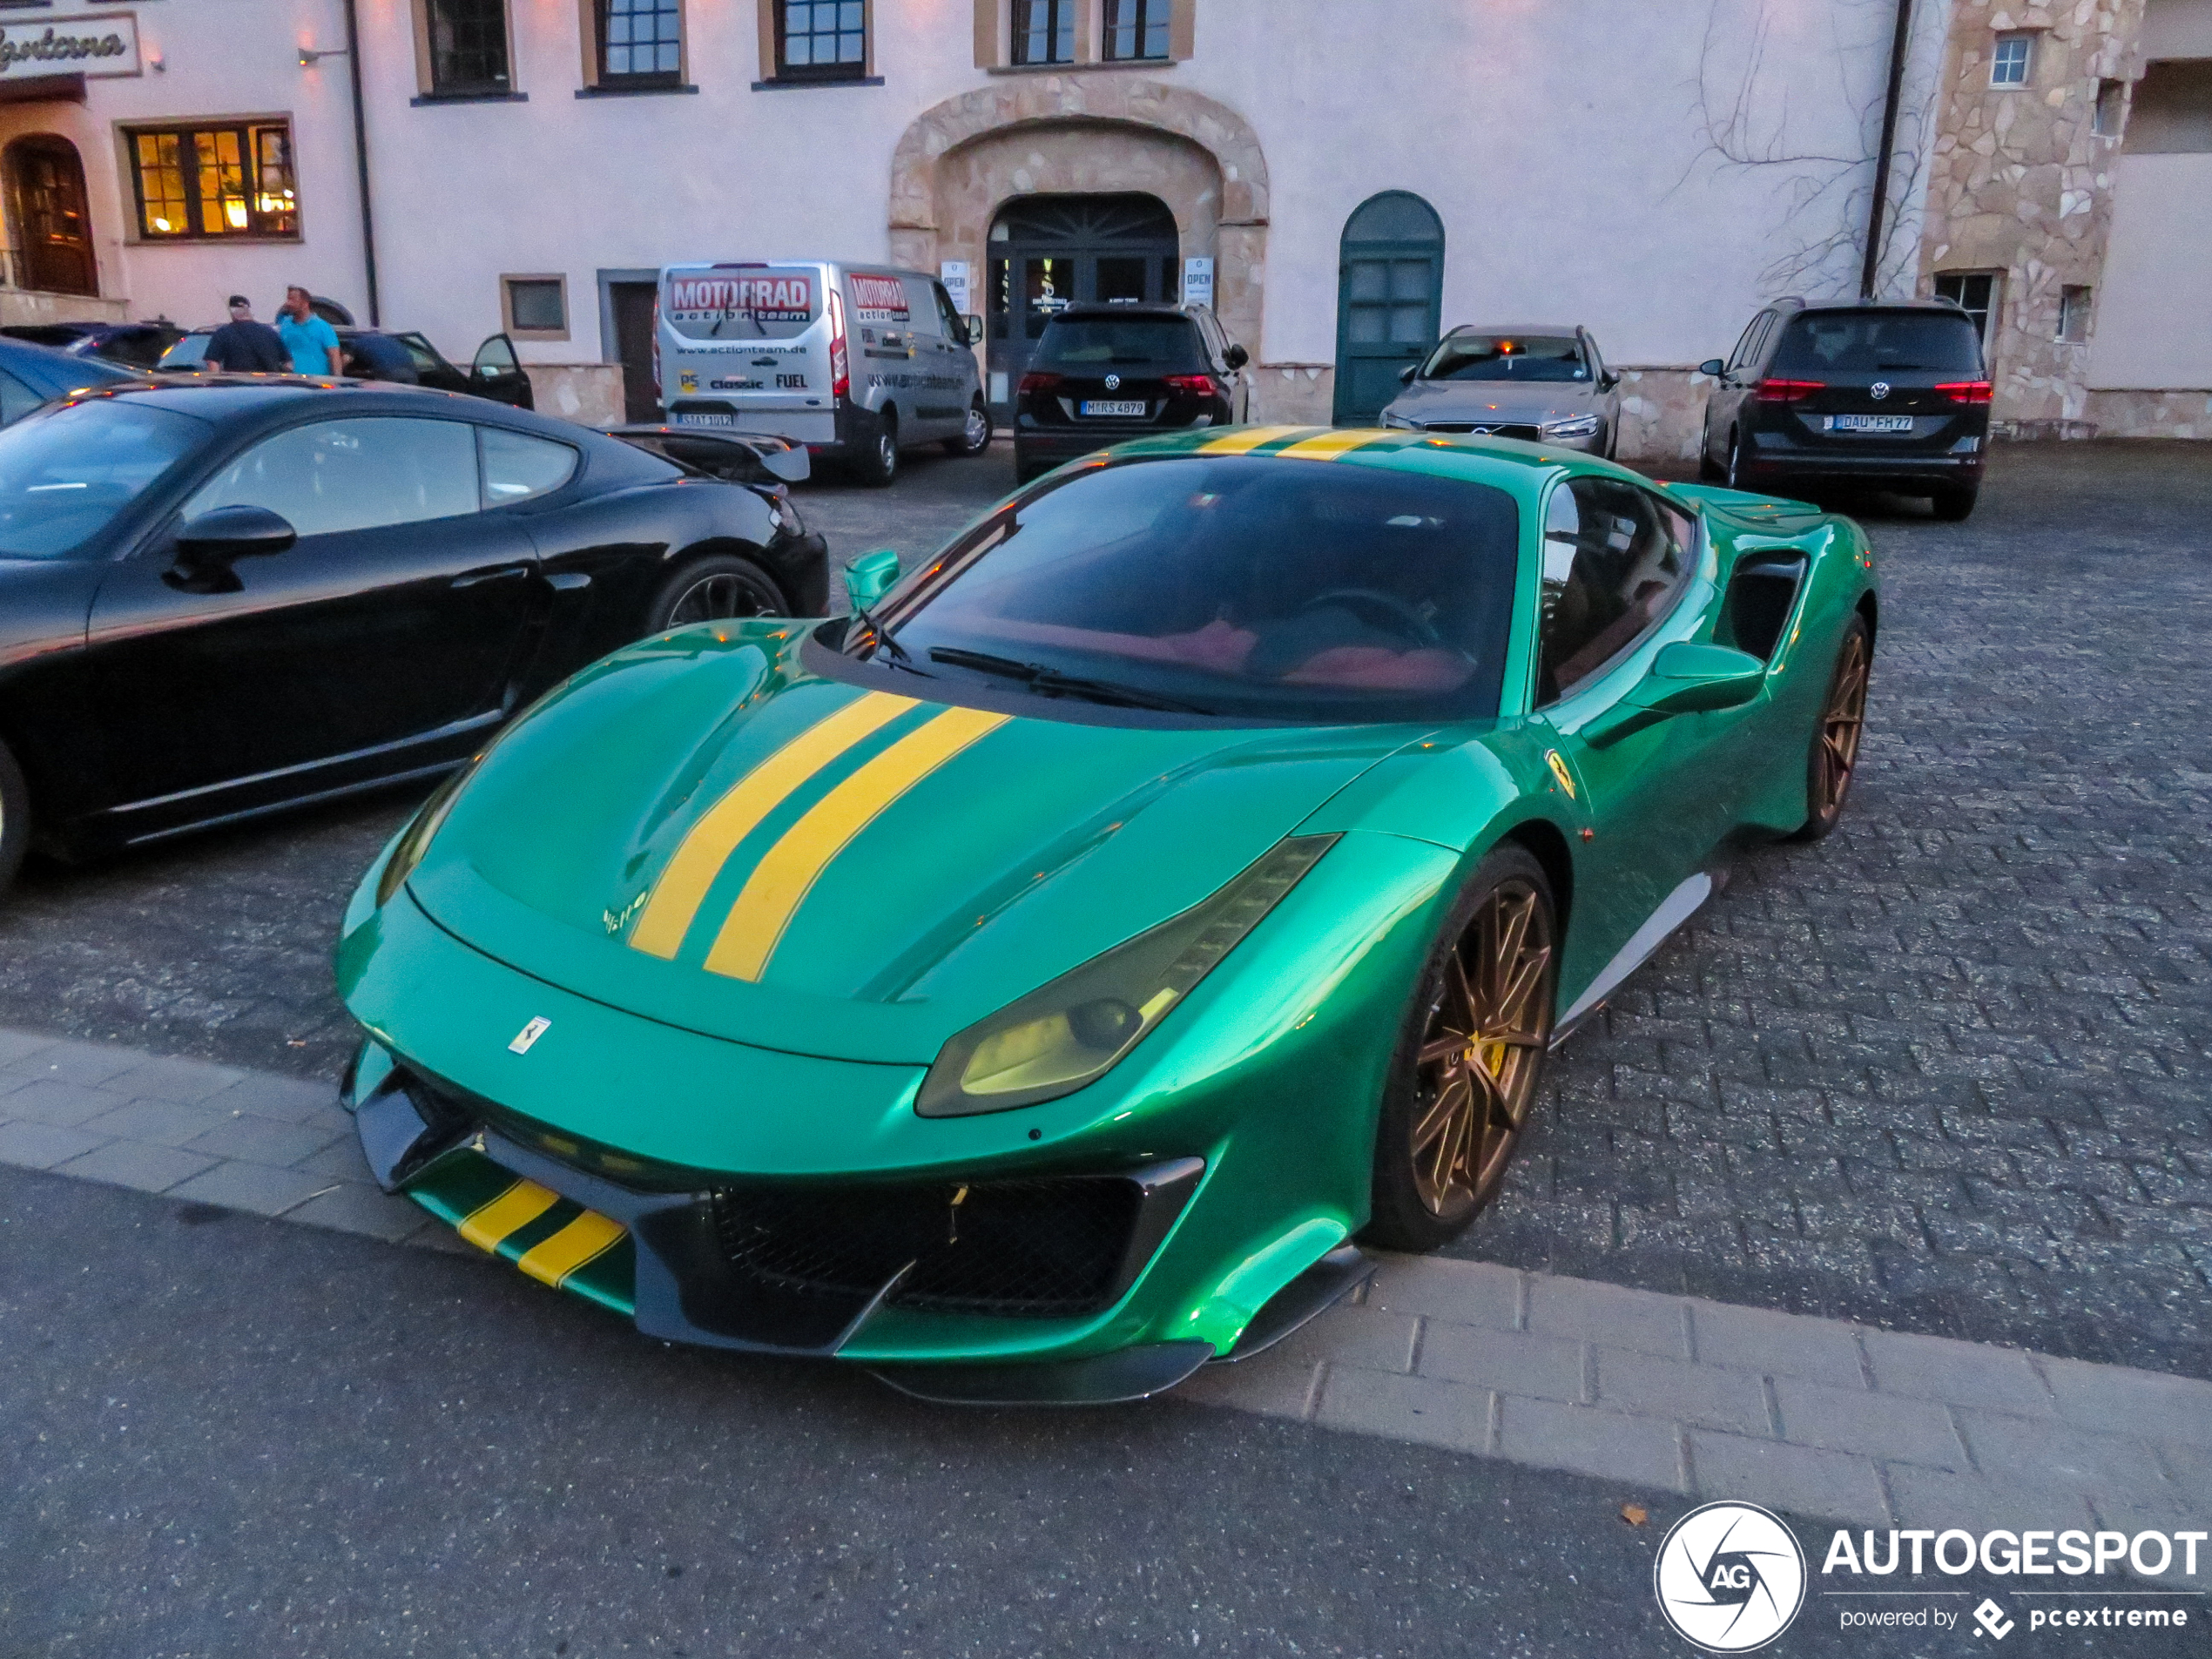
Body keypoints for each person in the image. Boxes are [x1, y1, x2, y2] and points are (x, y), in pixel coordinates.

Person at [202, 295, 289, 374]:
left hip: (237, 386)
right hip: (269, 386)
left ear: (231, 311)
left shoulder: (223, 333)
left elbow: (212, 363)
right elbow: (288, 364)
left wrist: (217, 384)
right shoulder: (270, 332)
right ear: (248, 310)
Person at [276, 286, 343, 376]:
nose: (288, 303)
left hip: (317, 383)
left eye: (293, 300)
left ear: (305, 303)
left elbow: (334, 355)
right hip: (290, 381)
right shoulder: (284, 324)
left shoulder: (322, 327)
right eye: (288, 299)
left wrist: (337, 380)